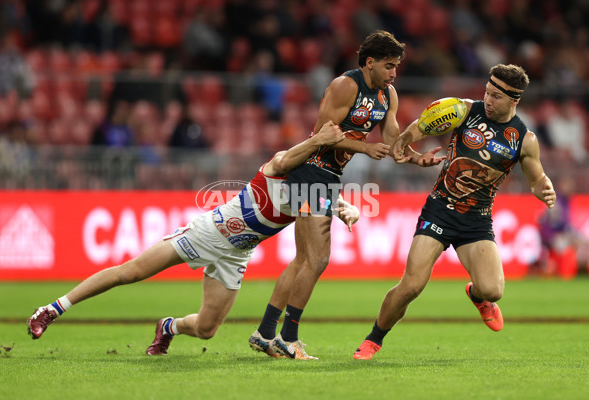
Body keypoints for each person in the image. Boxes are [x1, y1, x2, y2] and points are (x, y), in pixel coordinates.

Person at [27, 121, 360, 355]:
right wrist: (317, 140)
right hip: (209, 233)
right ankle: (53, 309)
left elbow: (324, 200)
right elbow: (284, 160)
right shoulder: (283, 164)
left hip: (238, 252)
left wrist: (346, 208)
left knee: (206, 329)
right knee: (131, 271)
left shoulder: (315, 189)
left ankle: (168, 327)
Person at [248, 30, 445, 360]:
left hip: (327, 176)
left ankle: (265, 332)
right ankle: (288, 337)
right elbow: (324, 136)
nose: (394, 73)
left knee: (303, 259)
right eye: (389, 66)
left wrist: (414, 157)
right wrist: (365, 148)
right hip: (309, 169)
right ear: (370, 63)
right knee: (318, 259)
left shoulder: (388, 95)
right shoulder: (345, 85)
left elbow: (393, 142)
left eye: (396, 66)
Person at [352, 64, 557, 360]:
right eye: (487, 92)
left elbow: (537, 178)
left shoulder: (524, 139)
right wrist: (403, 144)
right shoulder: (462, 110)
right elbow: (421, 126)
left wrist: (543, 188)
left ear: (515, 101)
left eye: (496, 96)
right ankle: (373, 340)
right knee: (411, 285)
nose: (488, 99)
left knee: (493, 290)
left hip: (477, 220)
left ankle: (476, 295)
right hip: (440, 210)